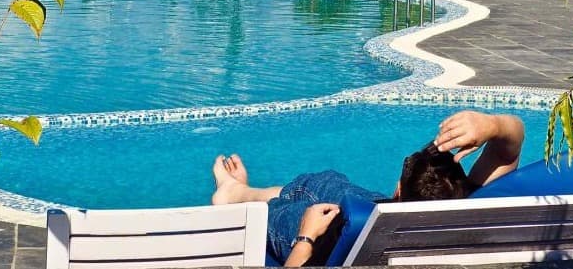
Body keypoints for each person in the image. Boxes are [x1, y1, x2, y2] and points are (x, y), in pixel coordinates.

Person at [211, 110, 525, 266]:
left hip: (334, 238)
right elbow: (508, 149)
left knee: (293, 211)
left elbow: (507, 148)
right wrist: (492, 126)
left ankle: (234, 195)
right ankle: (243, 190)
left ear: (398, 192)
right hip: (369, 212)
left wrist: (306, 239)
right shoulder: (469, 210)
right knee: (328, 183)